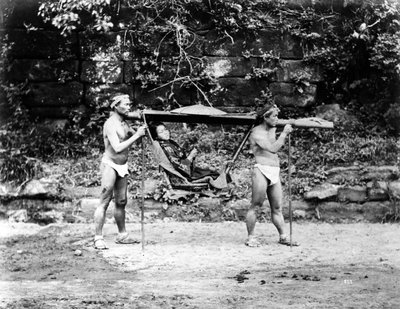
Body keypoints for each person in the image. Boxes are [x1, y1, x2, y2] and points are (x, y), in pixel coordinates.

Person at [93, 93, 147, 250]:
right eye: (126, 104)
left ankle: (122, 235)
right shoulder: (110, 124)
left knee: (121, 201)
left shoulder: (124, 122)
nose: (129, 106)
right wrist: (137, 135)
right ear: (116, 106)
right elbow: (117, 148)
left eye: (130, 103)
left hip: (122, 166)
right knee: (104, 201)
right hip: (110, 164)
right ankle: (98, 238)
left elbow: (133, 133)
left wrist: (141, 129)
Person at [245, 104, 299, 247]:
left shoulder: (273, 127)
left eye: (277, 116)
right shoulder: (256, 132)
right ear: (265, 117)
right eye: (274, 116)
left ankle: (283, 236)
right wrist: (284, 133)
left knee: (277, 207)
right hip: (261, 169)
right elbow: (273, 148)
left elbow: (293, 122)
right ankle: (251, 237)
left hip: (274, 170)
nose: (277, 119)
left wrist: (314, 120)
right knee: (256, 205)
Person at [148, 122, 227, 186]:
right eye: (161, 132)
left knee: (212, 171)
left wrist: (191, 153)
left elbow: (181, 156)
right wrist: (191, 156)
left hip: (188, 172)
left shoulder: (170, 143)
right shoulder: (166, 147)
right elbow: (180, 167)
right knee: (214, 174)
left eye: (165, 129)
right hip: (183, 176)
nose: (165, 133)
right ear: (156, 136)